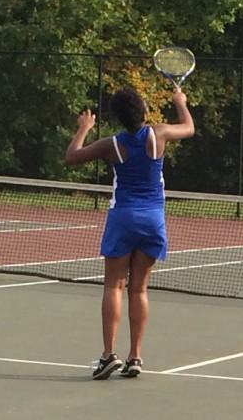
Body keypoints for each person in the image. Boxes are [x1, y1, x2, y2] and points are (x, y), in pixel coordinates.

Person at [65, 84, 194, 379]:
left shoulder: (111, 144)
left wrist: (84, 127)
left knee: (113, 286)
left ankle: (108, 355)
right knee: (139, 289)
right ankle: (135, 356)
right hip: (152, 220)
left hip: (122, 218)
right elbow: (189, 127)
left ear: (117, 118)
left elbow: (71, 156)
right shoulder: (158, 134)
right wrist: (180, 101)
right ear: (145, 112)